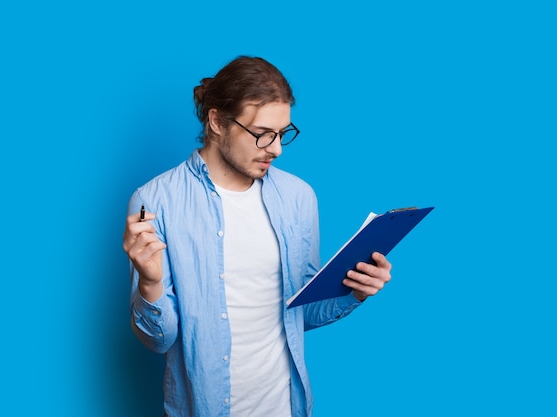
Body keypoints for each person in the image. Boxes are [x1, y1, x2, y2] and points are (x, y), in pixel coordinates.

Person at [122, 56, 392, 417]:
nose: (276, 149)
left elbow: (301, 313)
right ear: (217, 121)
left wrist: (355, 291)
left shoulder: (299, 197)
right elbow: (159, 340)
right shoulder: (155, 201)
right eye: (263, 134)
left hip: (287, 406)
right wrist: (151, 284)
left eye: (283, 134)